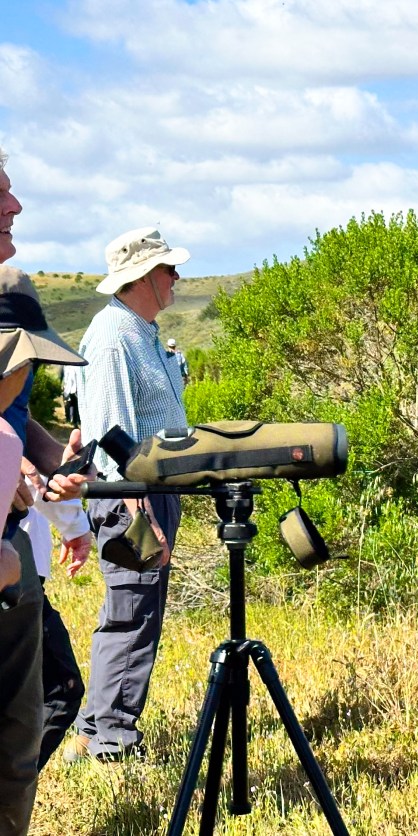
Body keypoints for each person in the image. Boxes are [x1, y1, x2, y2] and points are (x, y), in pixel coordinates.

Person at [66, 226, 190, 763]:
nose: (176, 277)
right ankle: (110, 740)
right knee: (131, 613)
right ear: (142, 277)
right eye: (168, 269)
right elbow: (112, 430)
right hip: (129, 494)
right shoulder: (115, 335)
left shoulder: (139, 332)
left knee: (135, 609)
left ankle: (95, 728)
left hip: (147, 492)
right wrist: (140, 510)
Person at [0, 148, 88, 836]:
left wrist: (49, 463)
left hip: (10, 548)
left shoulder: (15, 295)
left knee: (49, 696)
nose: (17, 207)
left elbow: (15, 417)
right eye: (0, 195)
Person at [19, 461, 91, 770]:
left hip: (22, 573)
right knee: (60, 690)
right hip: (15, 575)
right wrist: (73, 523)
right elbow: (25, 475)